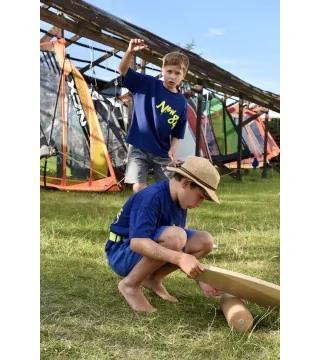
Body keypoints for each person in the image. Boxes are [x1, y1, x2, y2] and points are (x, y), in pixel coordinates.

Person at [105, 156, 221, 313]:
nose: (199, 203)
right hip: (121, 252)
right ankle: (130, 284)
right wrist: (180, 258)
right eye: (200, 197)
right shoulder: (151, 197)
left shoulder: (180, 200)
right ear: (186, 183)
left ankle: (152, 279)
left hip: (140, 251)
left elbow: (181, 244)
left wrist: (199, 278)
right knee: (177, 237)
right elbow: (137, 242)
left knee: (204, 241)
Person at [118, 38, 189, 193]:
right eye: (169, 71)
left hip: (162, 152)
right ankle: (142, 213)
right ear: (162, 70)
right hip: (138, 145)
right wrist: (130, 52)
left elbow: (178, 131)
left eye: (177, 73)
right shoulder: (146, 83)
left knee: (166, 189)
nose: (172, 76)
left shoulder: (182, 103)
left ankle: (160, 213)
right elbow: (123, 70)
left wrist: (173, 149)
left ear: (183, 75)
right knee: (138, 186)